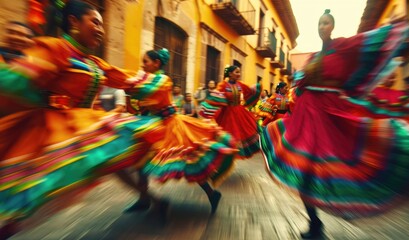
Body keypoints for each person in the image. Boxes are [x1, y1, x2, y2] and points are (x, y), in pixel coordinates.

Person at [0, 1, 232, 237]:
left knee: (128, 158)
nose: (101, 29)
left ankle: (154, 198)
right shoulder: (54, 48)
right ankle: (151, 199)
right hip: (47, 132)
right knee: (30, 193)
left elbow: (126, 80)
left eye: (102, 23)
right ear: (73, 22)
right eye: (95, 22)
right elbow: (18, 81)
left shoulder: (94, 63)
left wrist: (149, 86)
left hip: (90, 127)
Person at [259, 9, 409, 239]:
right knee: (304, 172)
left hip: (330, 115)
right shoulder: (313, 58)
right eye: (319, 23)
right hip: (306, 118)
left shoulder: (343, 46)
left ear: (333, 26)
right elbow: (299, 85)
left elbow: (366, 43)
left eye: (326, 23)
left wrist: (391, 30)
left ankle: (344, 203)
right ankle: (315, 223)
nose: (322, 27)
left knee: (336, 166)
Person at [120, 49, 236, 216]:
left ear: (156, 63)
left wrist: (130, 86)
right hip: (154, 125)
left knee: (189, 161)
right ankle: (144, 197)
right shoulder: (149, 79)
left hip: (171, 126)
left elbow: (149, 93)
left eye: (145, 61)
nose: (142, 65)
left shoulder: (162, 80)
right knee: (140, 157)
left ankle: (212, 194)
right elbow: (140, 104)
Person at [201, 65, 261, 158]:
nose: (239, 74)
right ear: (230, 74)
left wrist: (256, 88)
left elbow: (249, 91)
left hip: (240, 112)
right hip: (227, 113)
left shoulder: (240, 84)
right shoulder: (223, 85)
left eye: (239, 72)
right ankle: (222, 155)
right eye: (236, 72)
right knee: (227, 133)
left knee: (244, 132)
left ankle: (234, 152)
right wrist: (220, 100)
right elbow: (216, 96)